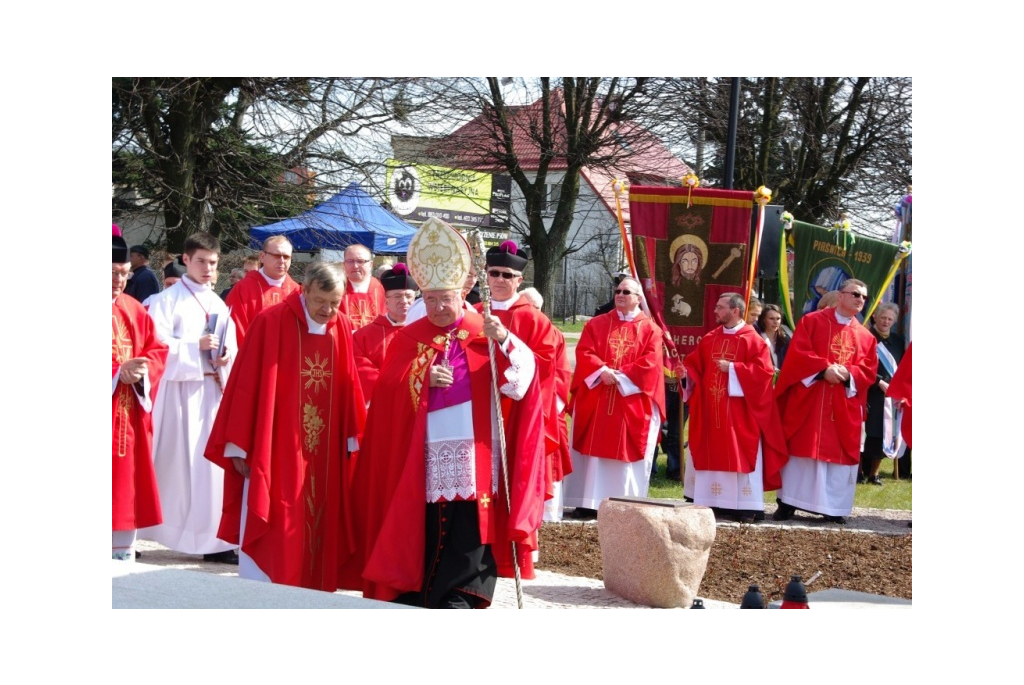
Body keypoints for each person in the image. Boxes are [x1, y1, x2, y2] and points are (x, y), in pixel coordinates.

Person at [352, 217, 546, 608]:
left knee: (469, 525)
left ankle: (463, 592)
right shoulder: (410, 337)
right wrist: (422, 377)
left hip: (477, 453)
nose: (441, 307)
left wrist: (505, 338)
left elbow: (523, 381)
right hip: (424, 455)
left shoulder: (485, 330)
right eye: (433, 299)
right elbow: (388, 391)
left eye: (448, 298)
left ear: (463, 294)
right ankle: (419, 590)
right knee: (426, 523)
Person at [205, 262, 366, 590]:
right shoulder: (271, 321)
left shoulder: (341, 327)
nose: (328, 310)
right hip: (274, 447)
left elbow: (349, 383)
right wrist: (239, 446)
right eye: (321, 300)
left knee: (317, 526)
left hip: (324, 453)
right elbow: (246, 384)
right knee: (274, 521)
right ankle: (261, 591)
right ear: (305, 290)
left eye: (335, 303)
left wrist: (351, 439)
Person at [140, 232, 238, 563]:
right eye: (201, 262)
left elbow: (231, 348)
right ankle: (141, 531)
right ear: (186, 260)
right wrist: (194, 347)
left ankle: (214, 542)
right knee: (172, 467)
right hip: (178, 397)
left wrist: (224, 357)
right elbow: (156, 347)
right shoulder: (165, 300)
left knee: (210, 470)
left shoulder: (220, 304)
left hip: (210, 394)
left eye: (213, 263)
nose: (208, 269)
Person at [774, 278, 878, 524]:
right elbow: (799, 353)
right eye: (855, 294)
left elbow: (868, 370)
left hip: (842, 404)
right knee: (802, 449)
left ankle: (833, 508)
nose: (860, 299)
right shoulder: (812, 322)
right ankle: (788, 503)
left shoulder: (866, 337)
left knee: (837, 455)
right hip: (810, 400)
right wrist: (823, 370)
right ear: (840, 295)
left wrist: (847, 374)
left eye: (864, 296)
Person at [563, 277, 666, 520]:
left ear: (639, 298)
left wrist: (620, 377)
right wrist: (602, 371)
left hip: (629, 402)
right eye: (617, 291)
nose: (619, 295)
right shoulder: (597, 324)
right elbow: (585, 351)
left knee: (624, 450)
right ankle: (587, 501)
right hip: (598, 397)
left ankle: (623, 503)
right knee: (592, 450)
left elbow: (651, 363)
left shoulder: (651, 329)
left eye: (626, 292)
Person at [680, 293, 788, 522]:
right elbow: (696, 367)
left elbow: (764, 373)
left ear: (735, 311)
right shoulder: (710, 338)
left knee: (740, 453)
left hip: (740, 414)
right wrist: (685, 374)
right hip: (712, 410)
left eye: (720, 307)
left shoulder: (753, 340)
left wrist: (734, 369)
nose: (715, 311)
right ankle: (713, 502)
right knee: (711, 449)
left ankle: (746, 506)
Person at [479, 242, 567, 517]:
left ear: (519, 279)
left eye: (507, 275)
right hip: (478, 409)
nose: (500, 280)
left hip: (516, 412)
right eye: (494, 273)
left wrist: (506, 340)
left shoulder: (535, 320)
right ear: (486, 275)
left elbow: (545, 366)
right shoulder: (472, 312)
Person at [112, 234, 168, 560]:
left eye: (123, 273)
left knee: (125, 491)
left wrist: (141, 371)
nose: (119, 281)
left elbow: (157, 350)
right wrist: (117, 372)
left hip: (127, 421)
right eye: (111, 274)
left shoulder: (134, 309)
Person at [352, 262, 417, 402]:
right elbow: (361, 369)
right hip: (382, 400)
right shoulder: (363, 336)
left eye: (408, 296)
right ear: (386, 301)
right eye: (397, 296)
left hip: (415, 401)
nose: (404, 301)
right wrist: (393, 386)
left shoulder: (424, 331)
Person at [859, 302, 906, 485]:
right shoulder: (866, 337)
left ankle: (875, 473)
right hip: (869, 390)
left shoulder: (898, 341)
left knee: (884, 432)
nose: (886, 321)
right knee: (866, 432)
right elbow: (862, 363)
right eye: (883, 317)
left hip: (890, 394)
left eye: (890, 319)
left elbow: (901, 367)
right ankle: (859, 471)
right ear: (875, 317)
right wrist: (878, 380)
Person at [224, 235, 299, 348]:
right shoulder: (243, 289)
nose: (282, 261)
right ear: (262, 256)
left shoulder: (297, 292)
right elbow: (234, 329)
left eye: (287, 257)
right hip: (252, 358)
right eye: (277, 255)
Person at [340, 243, 386, 331]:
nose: (355, 266)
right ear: (344, 264)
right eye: (350, 261)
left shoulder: (381, 288)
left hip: (374, 341)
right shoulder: (337, 287)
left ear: (370, 264)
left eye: (360, 261)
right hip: (345, 341)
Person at [757, 303, 791, 371]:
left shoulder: (786, 338)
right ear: (763, 320)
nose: (776, 322)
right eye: (771, 318)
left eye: (778, 318)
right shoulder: (757, 337)